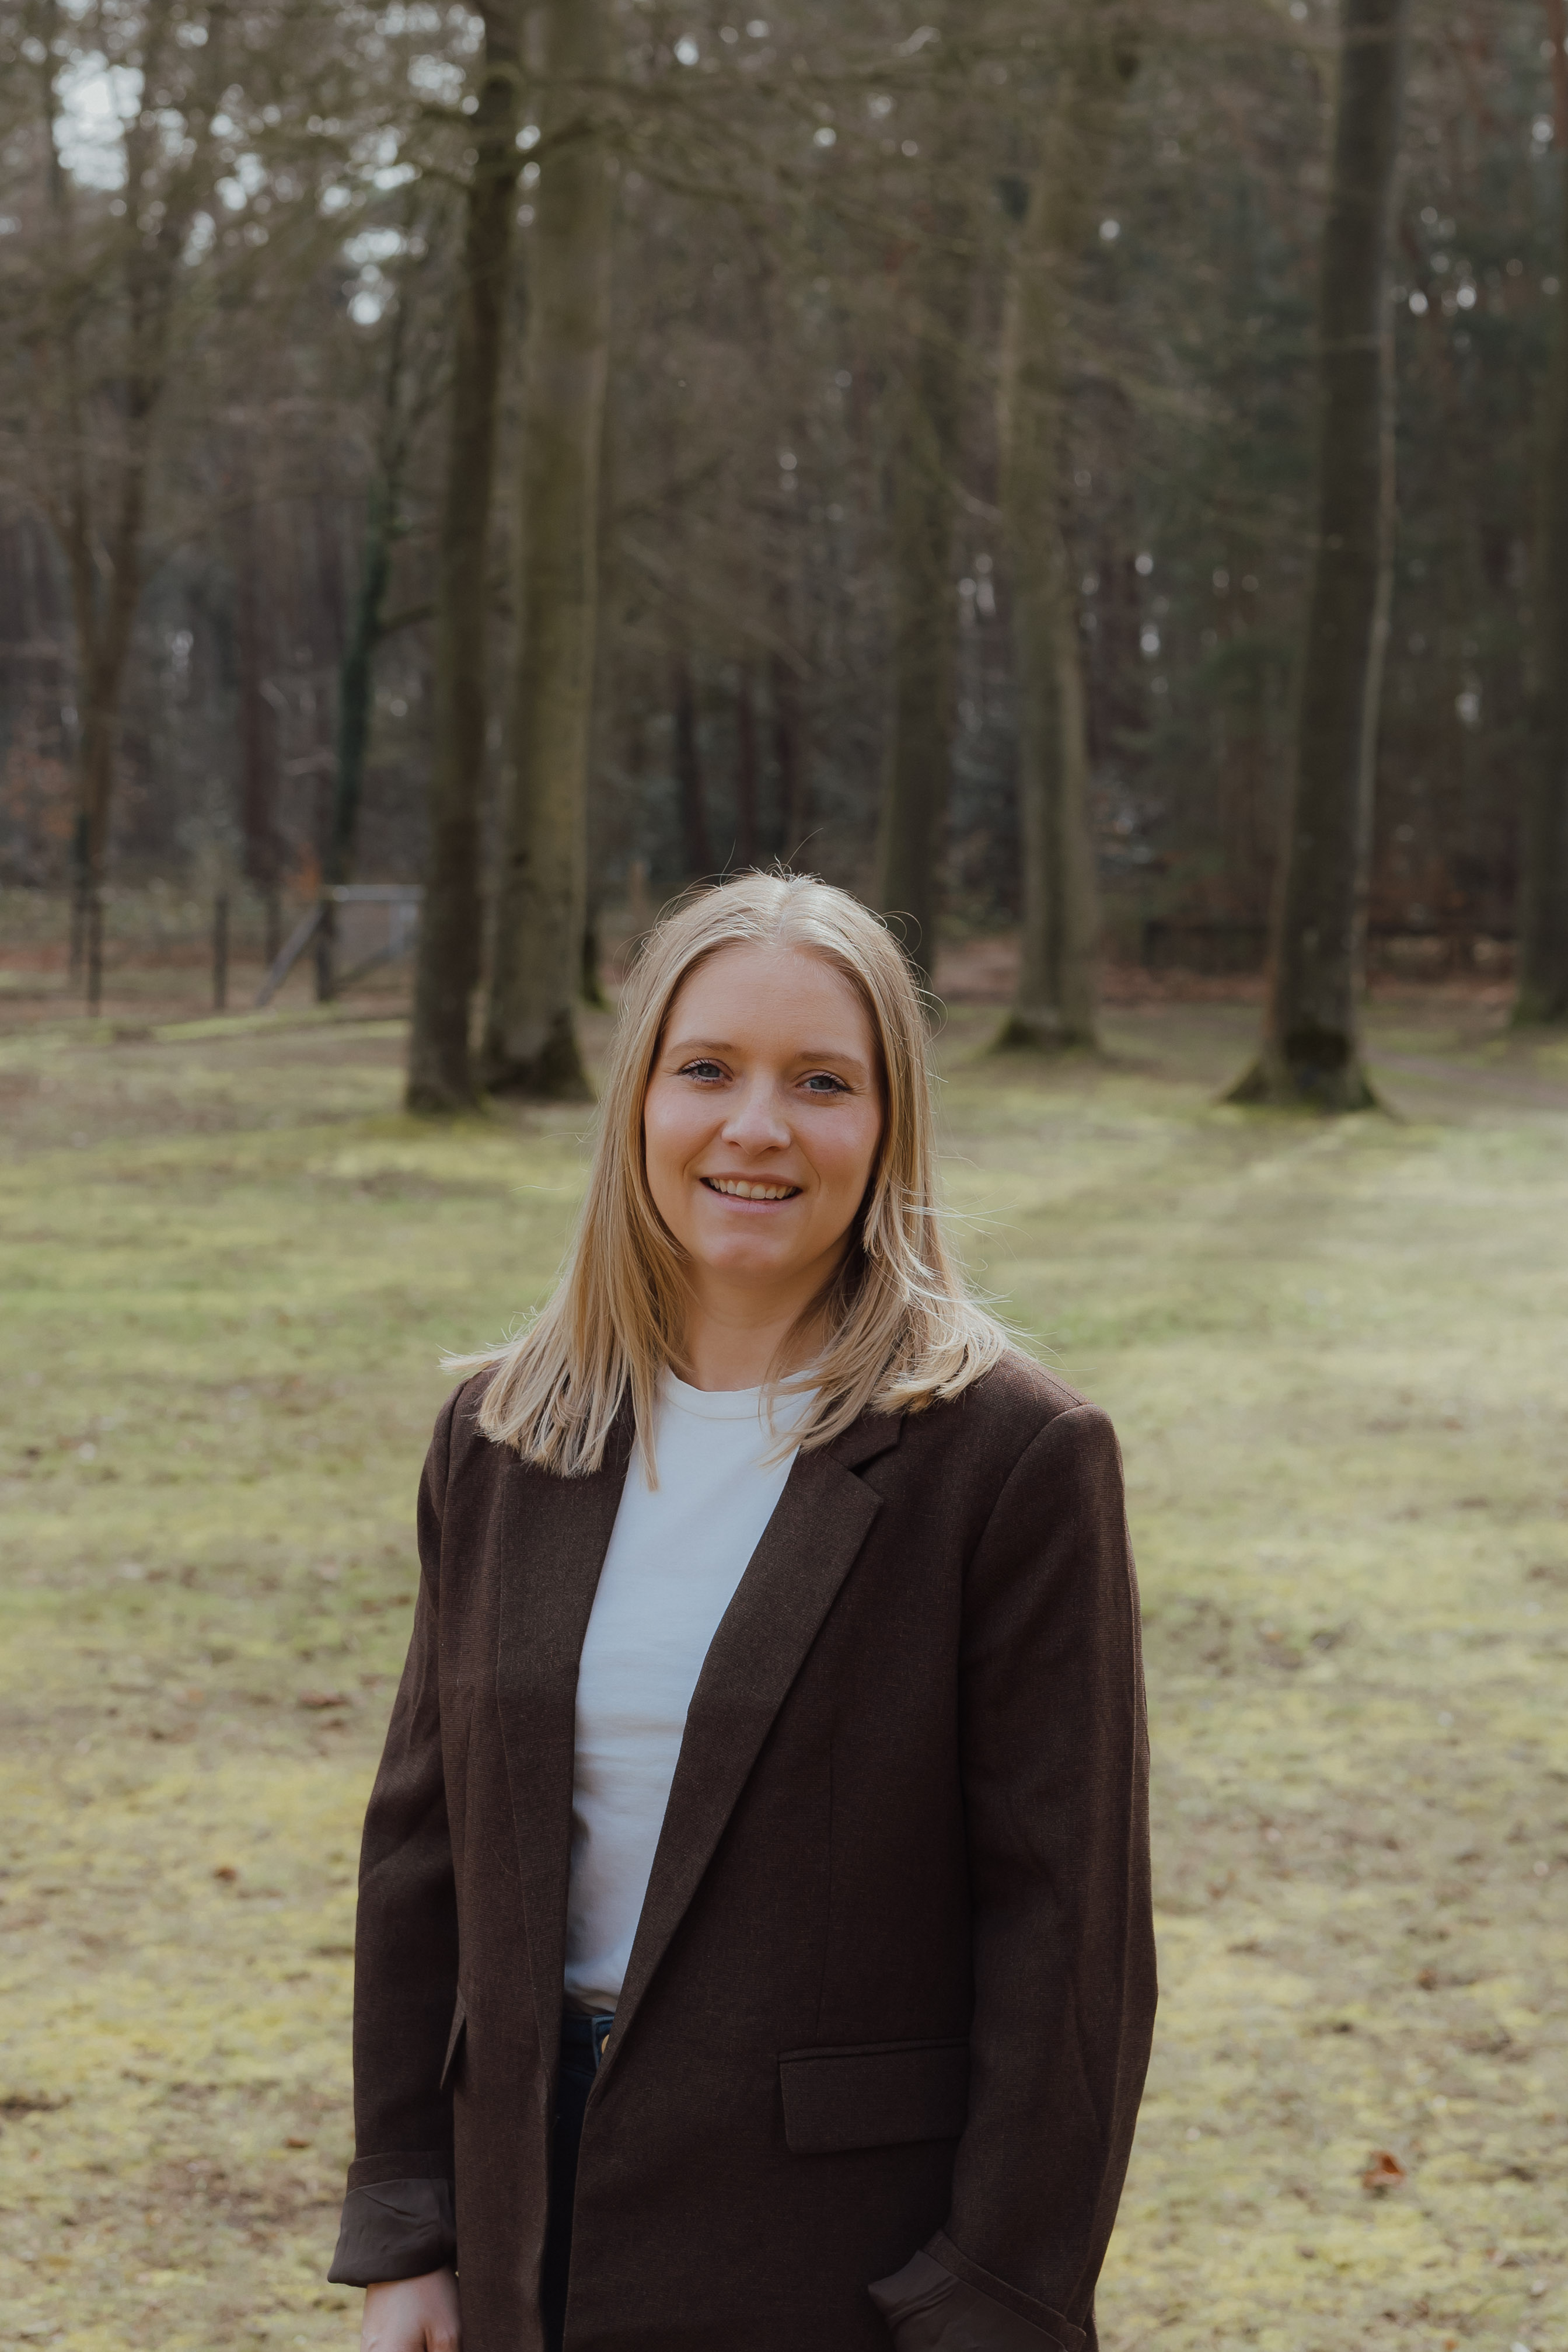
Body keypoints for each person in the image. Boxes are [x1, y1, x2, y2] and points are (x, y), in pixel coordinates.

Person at [329, 871, 1155, 2352]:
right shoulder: (506, 1435)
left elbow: (1068, 1943)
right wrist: (411, 2228)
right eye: (706, 1067)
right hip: (522, 2219)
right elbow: (420, 1852)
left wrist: (990, 2299)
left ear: (888, 1124)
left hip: (838, 2263)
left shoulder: (1012, 1458)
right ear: (638, 1099)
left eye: (821, 1082)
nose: (756, 1126)